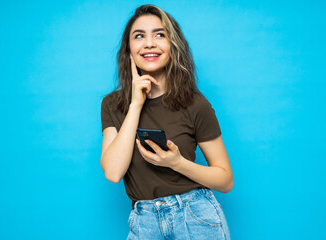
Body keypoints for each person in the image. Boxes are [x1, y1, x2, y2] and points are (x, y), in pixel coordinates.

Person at [100, 4, 234, 240]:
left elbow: (225, 180)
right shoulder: (112, 104)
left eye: (159, 34)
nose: (149, 43)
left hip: (195, 216)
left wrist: (177, 163)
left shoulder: (195, 103)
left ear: (173, 45)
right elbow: (113, 172)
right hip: (144, 222)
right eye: (139, 35)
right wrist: (135, 105)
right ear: (128, 50)